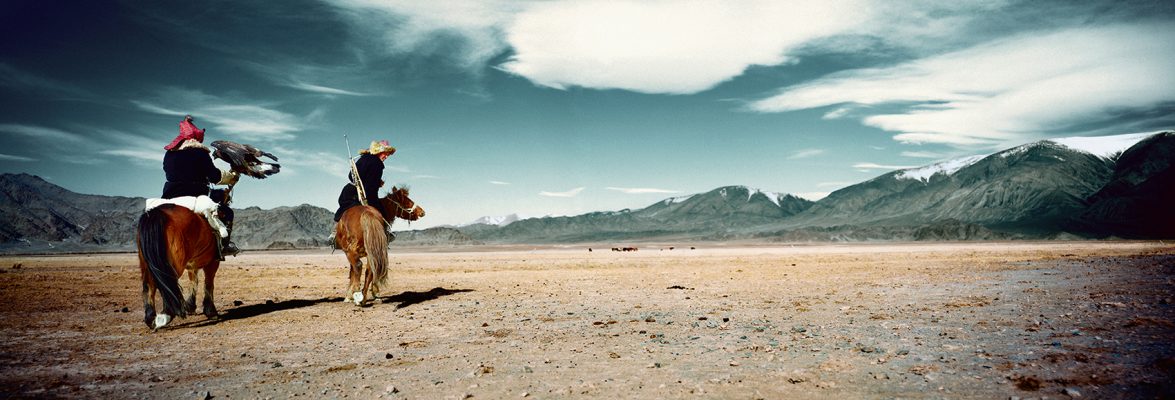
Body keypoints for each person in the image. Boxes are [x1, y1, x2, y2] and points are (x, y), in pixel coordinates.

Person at [162, 115, 241, 257]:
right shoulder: (200, 153)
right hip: (196, 196)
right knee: (228, 212)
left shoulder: (169, 154)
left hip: (169, 197)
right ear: (197, 139)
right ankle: (224, 246)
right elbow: (214, 177)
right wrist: (231, 176)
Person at [334, 139, 396, 225]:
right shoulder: (377, 164)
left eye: (388, 154)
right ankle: (387, 233)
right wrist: (374, 203)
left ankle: (335, 232)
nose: (386, 156)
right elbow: (371, 189)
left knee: (342, 215)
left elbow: (351, 176)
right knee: (382, 216)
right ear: (379, 151)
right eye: (385, 153)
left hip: (347, 193)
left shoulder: (363, 158)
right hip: (361, 195)